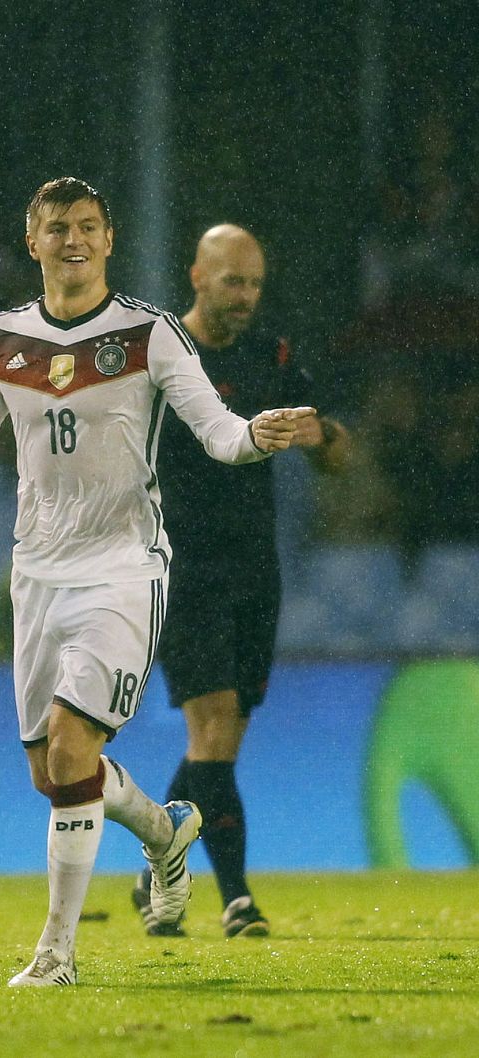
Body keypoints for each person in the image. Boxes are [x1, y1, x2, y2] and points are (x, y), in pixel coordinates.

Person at [0, 178, 314, 987]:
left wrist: (258, 436)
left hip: (125, 568)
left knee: (71, 745)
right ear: (34, 243)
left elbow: (219, 433)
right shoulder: (4, 338)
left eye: (88, 226)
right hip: (38, 573)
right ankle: (164, 833)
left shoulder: (151, 334)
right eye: (58, 228)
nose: (74, 240)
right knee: (52, 774)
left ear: (110, 239)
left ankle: (56, 955)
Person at [135, 225, 350, 938]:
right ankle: (235, 899)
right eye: (233, 282)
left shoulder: (273, 357)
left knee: (218, 742)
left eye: (255, 284)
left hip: (257, 570)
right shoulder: (160, 357)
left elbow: (335, 452)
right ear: (197, 275)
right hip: (182, 567)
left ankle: (151, 871)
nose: (246, 297)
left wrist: (323, 438)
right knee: (215, 725)